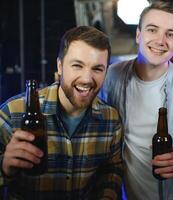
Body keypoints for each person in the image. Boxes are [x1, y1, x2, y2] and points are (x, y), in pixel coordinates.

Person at [100, 1, 173, 200]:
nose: (161, 41)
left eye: (170, 34)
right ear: (138, 34)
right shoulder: (112, 76)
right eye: (152, 30)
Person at [0, 26, 123, 199]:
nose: (87, 79)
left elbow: (111, 171)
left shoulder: (111, 120)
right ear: (60, 66)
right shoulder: (12, 114)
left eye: (97, 69)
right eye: (77, 65)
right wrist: (4, 167)